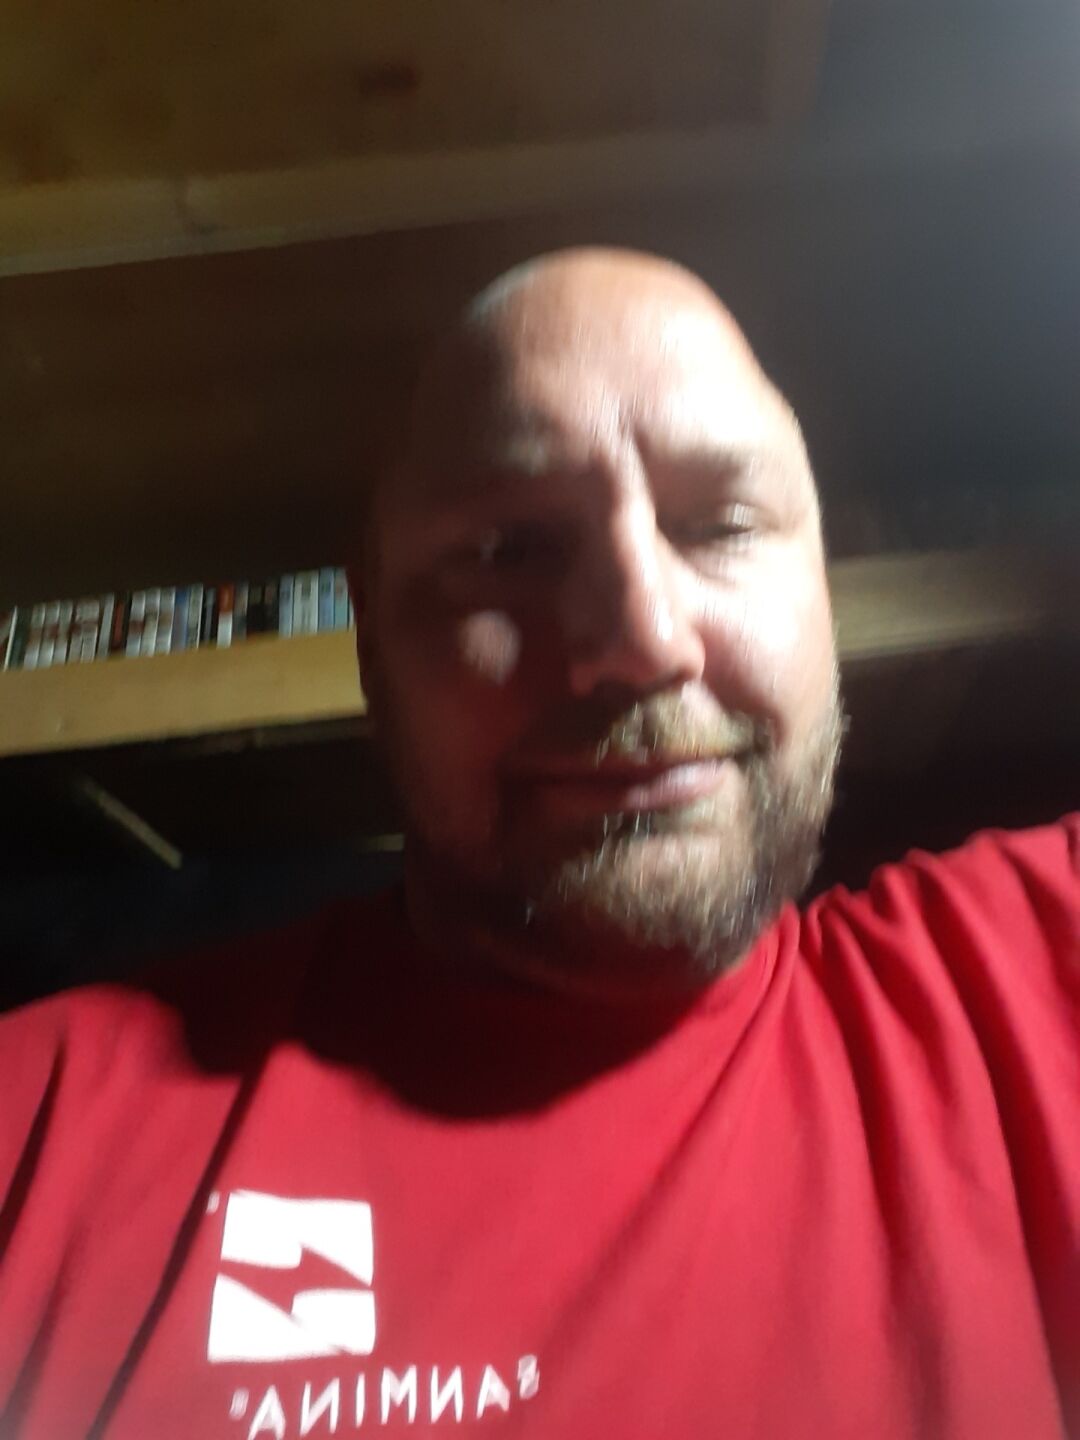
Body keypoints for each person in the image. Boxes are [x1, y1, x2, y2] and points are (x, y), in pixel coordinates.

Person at [0, 248, 1077, 1440]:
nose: (644, 638)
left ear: (822, 589)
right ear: (372, 642)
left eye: (721, 523)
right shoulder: (36, 1128)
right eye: (509, 550)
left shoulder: (1041, 968)